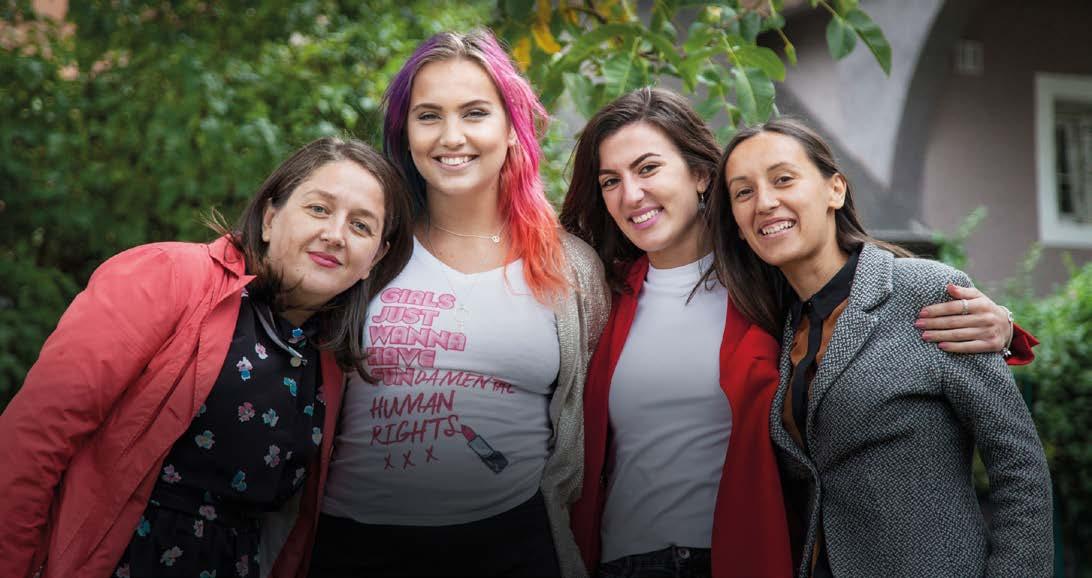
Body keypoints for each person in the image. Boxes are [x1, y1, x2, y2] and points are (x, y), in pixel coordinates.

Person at [560, 88, 1037, 578]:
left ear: (700, 175)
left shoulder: (765, 283)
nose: (631, 194)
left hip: (743, 557)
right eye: (610, 180)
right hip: (621, 559)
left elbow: (864, 297)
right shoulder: (599, 294)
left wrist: (1002, 325)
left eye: (648, 168)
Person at [0, 137, 414, 578]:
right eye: (318, 209)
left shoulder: (331, 363)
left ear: (375, 258)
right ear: (270, 218)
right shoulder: (167, 276)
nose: (335, 235)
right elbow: (33, 439)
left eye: (361, 226)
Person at [308, 30, 609, 578]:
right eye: (428, 116)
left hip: (513, 547)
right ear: (405, 133)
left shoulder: (572, 267)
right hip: (354, 546)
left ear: (513, 129)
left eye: (474, 113)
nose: (451, 137)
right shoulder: (367, 249)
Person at [712, 117, 1052, 577]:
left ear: (835, 190)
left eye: (783, 179)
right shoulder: (776, 324)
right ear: (736, 224)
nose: (765, 202)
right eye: (743, 192)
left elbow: (1019, 464)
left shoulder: (925, 290)